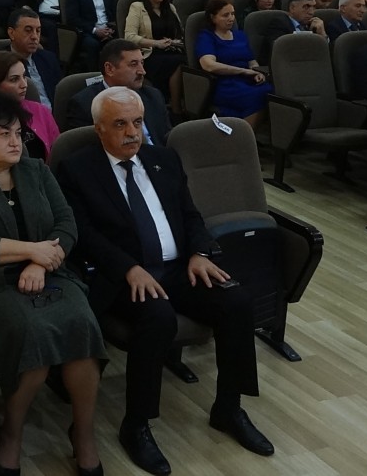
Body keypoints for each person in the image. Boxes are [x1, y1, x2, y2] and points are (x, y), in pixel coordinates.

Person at [59, 87, 272, 472]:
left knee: (236, 302)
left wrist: (200, 252)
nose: (132, 133)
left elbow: (190, 215)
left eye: (137, 122)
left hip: (177, 268)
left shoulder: (164, 159)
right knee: (157, 317)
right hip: (123, 276)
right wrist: (128, 267)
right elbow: (84, 234)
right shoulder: (77, 169)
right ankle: (136, 424)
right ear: (99, 128)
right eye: (120, 124)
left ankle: (229, 407)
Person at [0, 90, 106, 476]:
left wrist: (40, 264)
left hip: (50, 273)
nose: (16, 142)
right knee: (33, 333)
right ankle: (10, 433)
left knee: (82, 323)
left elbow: (66, 224)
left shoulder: (36, 171)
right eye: (4, 134)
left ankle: (84, 433)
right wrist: (32, 251)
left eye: (19, 133)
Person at [195, 0, 271, 126]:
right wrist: (243, 71)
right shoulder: (206, 36)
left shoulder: (240, 35)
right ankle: (243, 134)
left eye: (233, 14)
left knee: (271, 90)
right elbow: (209, 65)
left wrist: (257, 72)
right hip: (224, 83)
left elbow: (251, 61)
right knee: (257, 95)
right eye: (226, 15)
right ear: (213, 18)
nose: (231, 18)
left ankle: (249, 132)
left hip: (247, 80)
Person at [0, 51, 59, 160]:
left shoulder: (41, 111)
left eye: (24, 76)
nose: (24, 85)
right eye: (14, 79)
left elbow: (57, 154)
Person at [125, 0, 184, 100]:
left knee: (186, 59)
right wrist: (156, 43)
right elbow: (129, 37)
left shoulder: (170, 8)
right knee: (178, 62)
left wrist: (175, 41)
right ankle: (175, 106)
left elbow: (180, 32)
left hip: (172, 49)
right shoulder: (137, 7)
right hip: (149, 54)